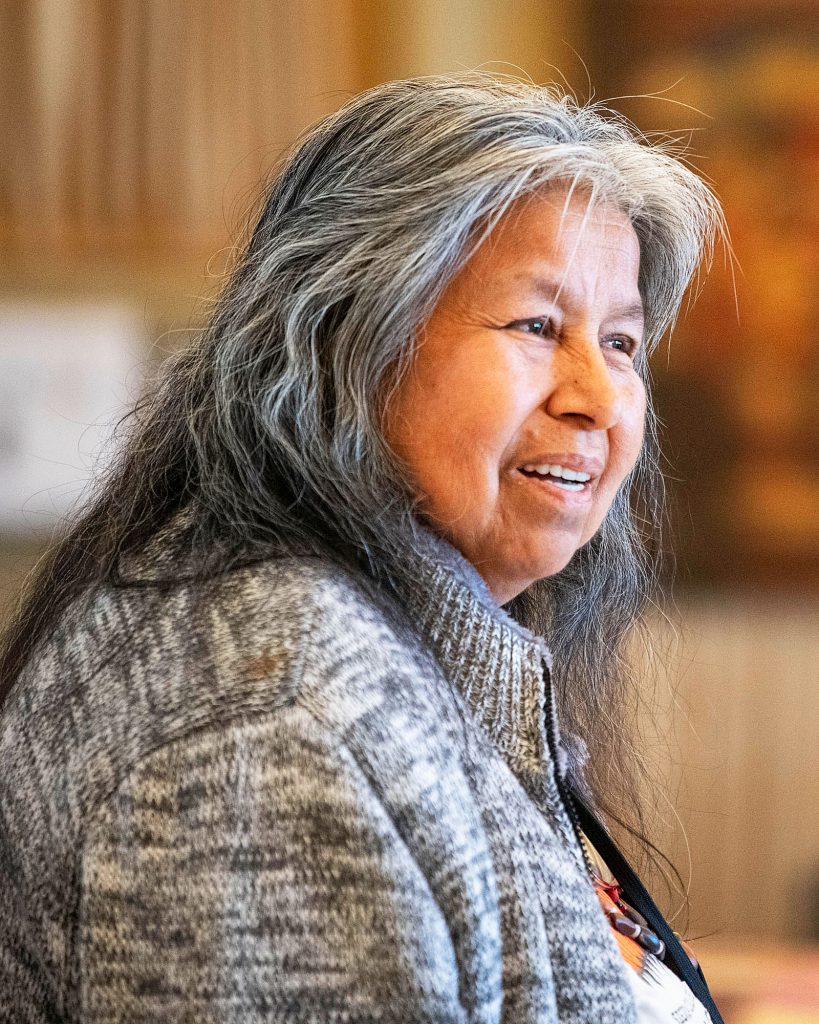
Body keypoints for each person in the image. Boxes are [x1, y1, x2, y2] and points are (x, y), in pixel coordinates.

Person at [0, 74, 725, 1023]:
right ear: (342, 339)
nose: (597, 395)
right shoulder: (271, 722)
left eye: (621, 342)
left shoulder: (387, 648)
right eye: (537, 326)